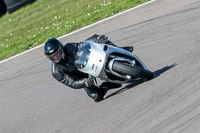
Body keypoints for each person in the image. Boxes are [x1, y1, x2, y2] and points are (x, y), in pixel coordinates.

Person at [44, 34, 133, 102]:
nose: (56, 58)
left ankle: (121, 50)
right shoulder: (56, 72)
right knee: (96, 96)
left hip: (88, 62)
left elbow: (84, 45)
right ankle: (106, 86)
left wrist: (97, 40)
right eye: (53, 57)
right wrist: (85, 82)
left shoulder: (69, 47)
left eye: (57, 54)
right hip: (82, 77)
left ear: (61, 48)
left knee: (101, 39)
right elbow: (72, 83)